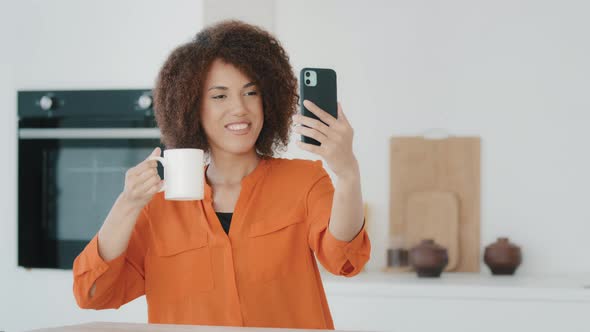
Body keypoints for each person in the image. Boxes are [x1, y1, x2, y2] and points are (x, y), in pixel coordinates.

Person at [72, 20, 370, 329]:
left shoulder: (305, 180)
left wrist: (347, 172)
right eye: (219, 96)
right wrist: (127, 203)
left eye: (250, 92)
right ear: (191, 108)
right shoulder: (158, 205)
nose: (239, 108)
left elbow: (345, 259)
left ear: (268, 100)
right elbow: (91, 292)